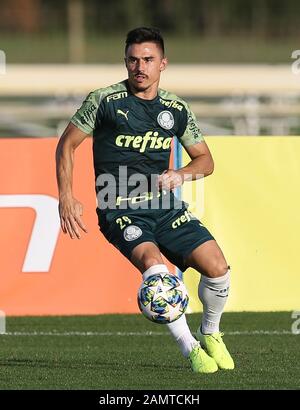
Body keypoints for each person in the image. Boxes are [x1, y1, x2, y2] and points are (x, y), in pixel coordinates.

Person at [55, 27, 234, 373]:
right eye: (133, 60)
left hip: (165, 209)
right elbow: (67, 144)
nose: (140, 67)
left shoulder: (176, 109)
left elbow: (206, 161)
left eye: (148, 60)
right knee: (156, 270)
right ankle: (190, 349)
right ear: (125, 62)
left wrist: (181, 175)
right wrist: (66, 194)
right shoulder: (104, 101)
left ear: (162, 64)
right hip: (119, 209)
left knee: (218, 269)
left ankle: (210, 332)